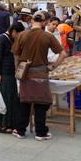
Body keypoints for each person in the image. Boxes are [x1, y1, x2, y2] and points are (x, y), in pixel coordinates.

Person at [12, 11, 65, 140]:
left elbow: (15, 54)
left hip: (25, 74)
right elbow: (63, 54)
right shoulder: (47, 36)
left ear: (32, 20)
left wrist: (18, 69)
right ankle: (40, 133)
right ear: (45, 22)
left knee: (25, 102)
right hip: (41, 73)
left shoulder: (22, 35)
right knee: (41, 103)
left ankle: (20, 131)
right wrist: (53, 67)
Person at [0, 21, 25, 134]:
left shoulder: (11, 39)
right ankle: (2, 124)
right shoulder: (2, 38)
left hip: (10, 73)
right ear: (13, 31)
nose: (19, 37)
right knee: (5, 99)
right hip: (4, 73)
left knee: (10, 99)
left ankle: (7, 124)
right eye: (18, 34)